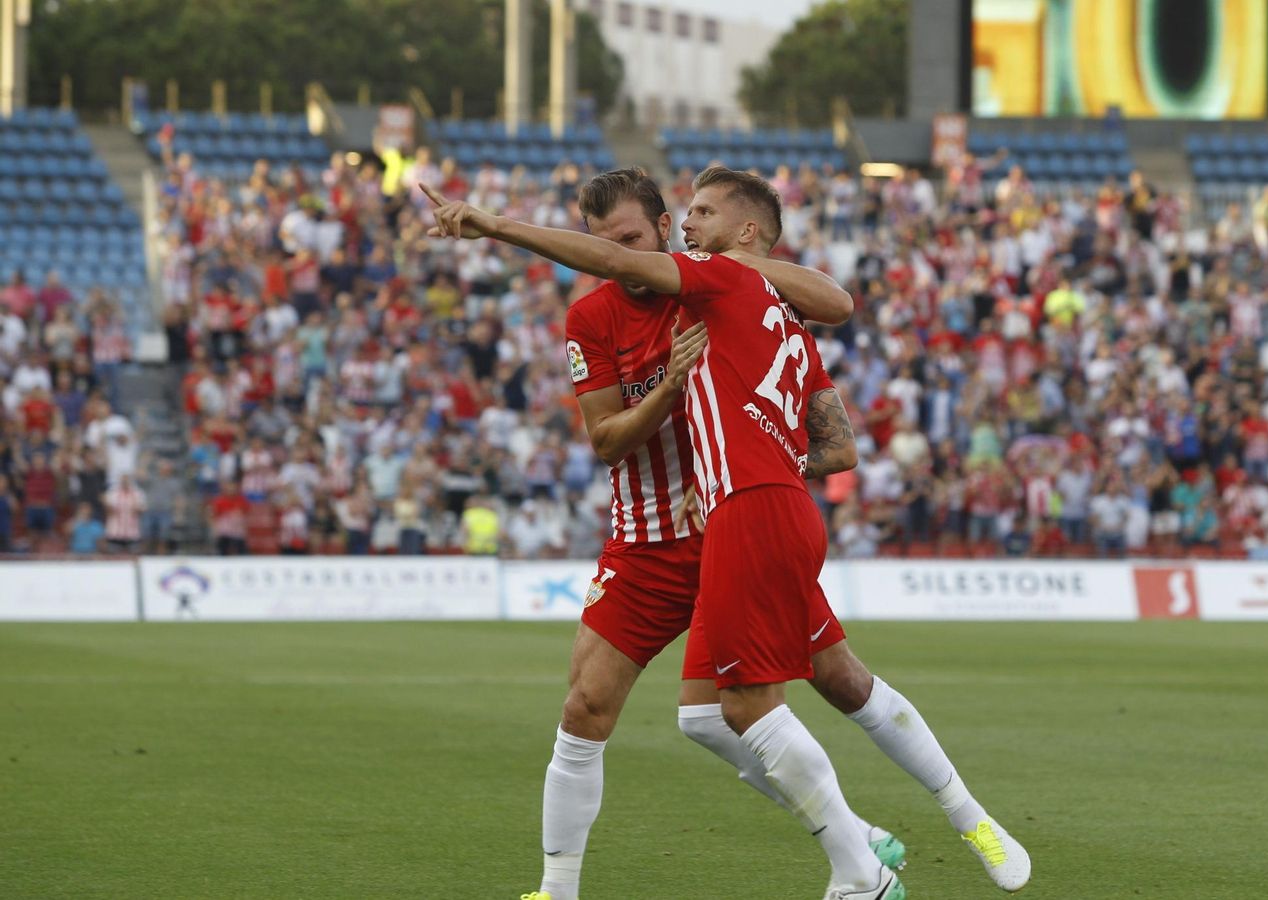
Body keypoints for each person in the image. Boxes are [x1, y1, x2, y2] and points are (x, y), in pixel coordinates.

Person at [428, 168, 1029, 898]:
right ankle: (565, 889)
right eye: (599, 242)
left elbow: (837, 338)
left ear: (659, 228)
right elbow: (608, 440)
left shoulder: (723, 287)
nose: (615, 252)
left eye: (628, 236)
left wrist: (761, 444)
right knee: (630, 711)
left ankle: (910, 842)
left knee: (827, 683)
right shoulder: (595, 318)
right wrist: (670, 392)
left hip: (735, 521)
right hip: (651, 537)